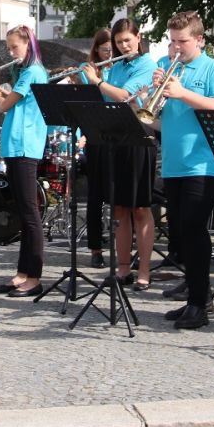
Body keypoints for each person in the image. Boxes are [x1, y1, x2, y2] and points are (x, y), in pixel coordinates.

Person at [154, 10, 214, 329]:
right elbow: (157, 115)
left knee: (194, 228)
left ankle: (200, 304)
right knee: (180, 232)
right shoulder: (165, 65)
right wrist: (149, 97)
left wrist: (182, 93)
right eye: (172, 41)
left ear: (200, 39)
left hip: (204, 161)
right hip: (174, 160)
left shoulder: (213, 68)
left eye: (182, 41)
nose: (176, 48)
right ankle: (197, 297)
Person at [85, 18, 156, 288]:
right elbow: (108, 101)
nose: (124, 46)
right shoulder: (115, 67)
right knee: (119, 208)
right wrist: (96, 80)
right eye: (119, 42)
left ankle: (144, 271)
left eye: (128, 40)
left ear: (138, 38)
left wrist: (97, 81)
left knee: (140, 208)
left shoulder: (147, 65)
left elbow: (124, 95)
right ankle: (123, 269)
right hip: (116, 140)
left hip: (139, 138)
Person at [0, 24, 50, 297]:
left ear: (28, 44)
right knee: (22, 213)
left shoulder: (34, 71)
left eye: (14, 47)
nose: (11, 52)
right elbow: (14, 103)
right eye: (9, 48)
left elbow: (4, 105)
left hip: (25, 147)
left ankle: (34, 277)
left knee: (30, 214)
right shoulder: (25, 73)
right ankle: (22, 273)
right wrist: (3, 89)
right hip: (15, 146)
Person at [80, 28, 115, 269]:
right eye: (105, 50)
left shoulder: (121, 69)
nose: (109, 54)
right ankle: (95, 248)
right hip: (96, 138)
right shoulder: (89, 70)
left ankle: (123, 248)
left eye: (112, 50)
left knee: (120, 195)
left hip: (119, 136)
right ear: (97, 50)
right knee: (95, 195)